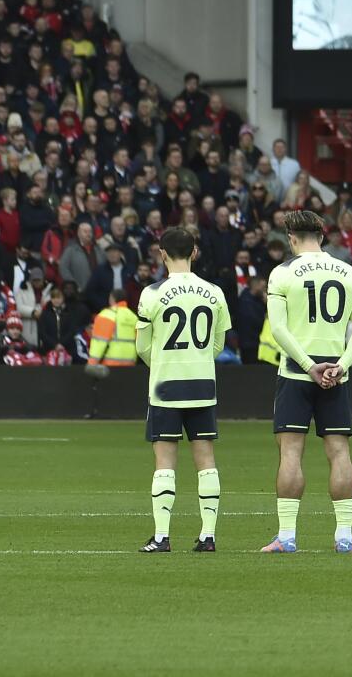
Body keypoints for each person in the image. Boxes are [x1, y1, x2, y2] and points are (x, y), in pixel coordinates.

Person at [258, 210, 352, 555]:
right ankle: (344, 538)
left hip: (297, 373)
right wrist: (340, 365)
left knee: (291, 451)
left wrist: (308, 366)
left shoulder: (283, 273)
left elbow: (278, 329)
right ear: (322, 235)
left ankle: (287, 538)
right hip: (336, 376)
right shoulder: (350, 273)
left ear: (291, 237)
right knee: (339, 452)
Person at [134, 227, 231, 554]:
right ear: (194, 252)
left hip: (165, 386)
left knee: (164, 459)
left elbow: (142, 347)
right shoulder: (215, 292)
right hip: (203, 383)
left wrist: (163, 362)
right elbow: (218, 344)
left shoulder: (151, 293)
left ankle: (162, 537)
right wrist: (198, 359)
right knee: (206, 459)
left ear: (162, 253)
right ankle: (208, 536)